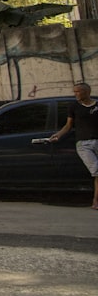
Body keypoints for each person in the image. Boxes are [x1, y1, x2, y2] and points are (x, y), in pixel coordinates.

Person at [49, 81, 98, 209]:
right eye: (74, 91)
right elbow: (68, 125)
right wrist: (58, 134)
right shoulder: (74, 106)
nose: (75, 94)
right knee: (97, 171)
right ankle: (95, 201)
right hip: (84, 143)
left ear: (87, 92)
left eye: (78, 91)